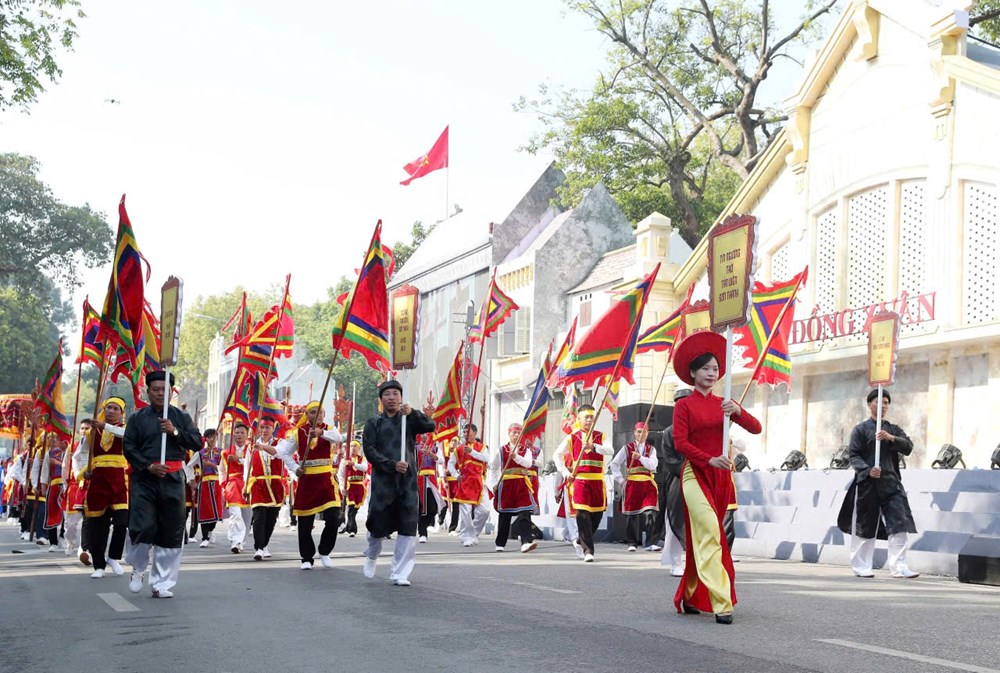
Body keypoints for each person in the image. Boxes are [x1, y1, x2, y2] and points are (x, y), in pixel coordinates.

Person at [671, 332, 761, 625]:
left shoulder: (725, 403)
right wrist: (708, 458)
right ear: (693, 373)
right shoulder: (684, 406)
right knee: (710, 530)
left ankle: (690, 592)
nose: (711, 373)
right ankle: (722, 601)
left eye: (715, 368)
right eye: (705, 368)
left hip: (721, 478)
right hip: (694, 474)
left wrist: (738, 411)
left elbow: (756, 428)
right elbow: (681, 443)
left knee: (706, 535)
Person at [123, 371, 203, 598]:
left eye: (164, 389)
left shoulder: (181, 416)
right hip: (145, 478)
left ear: (171, 392)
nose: (160, 393)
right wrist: (147, 466)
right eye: (155, 389)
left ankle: (162, 583)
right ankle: (138, 569)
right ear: (148, 392)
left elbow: (197, 442)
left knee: (171, 531)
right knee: (143, 526)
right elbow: (128, 448)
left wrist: (175, 432)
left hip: (173, 478)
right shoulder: (137, 418)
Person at [836, 389, 919, 579]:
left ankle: (899, 567)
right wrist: (867, 470)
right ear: (869, 405)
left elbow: (908, 447)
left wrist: (890, 438)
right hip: (868, 485)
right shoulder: (860, 429)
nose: (883, 406)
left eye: (886, 403)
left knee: (899, 524)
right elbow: (853, 455)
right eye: (878, 402)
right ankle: (862, 566)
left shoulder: (893, 429)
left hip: (891, 484)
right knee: (866, 526)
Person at [361, 380, 435, 586]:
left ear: (401, 397)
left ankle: (400, 572)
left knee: (408, 526)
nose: (392, 397)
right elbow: (370, 451)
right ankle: (372, 554)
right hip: (383, 481)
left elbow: (430, 425)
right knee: (377, 522)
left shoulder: (408, 420)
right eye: (387, 394)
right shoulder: (373, 422)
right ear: (381, 399)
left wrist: (412, 413)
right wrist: (392, 465)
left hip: (408, 482)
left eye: (395, 394)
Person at [275, 401, 344, 569]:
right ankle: (306, 557)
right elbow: (284, 453)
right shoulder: (298, 432)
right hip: (307, 480)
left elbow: (339, 438)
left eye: (320, 412)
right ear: (307, 414)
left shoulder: (329, 429)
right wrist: (295, 467)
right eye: (313, 412)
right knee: (305, 521)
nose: (317, 415)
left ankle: (325, 551)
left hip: (326, 479)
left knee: (334, 517)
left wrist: (321, 433)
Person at [76, 398, 130, 577]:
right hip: (98, 480)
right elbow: (81, 455)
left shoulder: (125, 429)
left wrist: (104, 426)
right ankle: (98, 566)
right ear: (103, 409)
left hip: (119, 481)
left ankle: (114, 557)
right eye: (108, 408)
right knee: (98, 525)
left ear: (121, 413)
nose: (111, 411)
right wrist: (85, 471)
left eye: (116, 409)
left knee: (122, 522)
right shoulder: (91, 433)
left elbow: (125, 435)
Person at [553, 405, 612, 562]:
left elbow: (610, 450)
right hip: (580, 481)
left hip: (598, 481)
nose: (589, 420)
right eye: (586, 417)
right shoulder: (572, 437)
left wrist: (594, 447)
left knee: (597, 515)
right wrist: (566, 473)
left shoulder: (601, 436)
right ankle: (588, 551)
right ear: (579, 419)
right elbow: (557, 455)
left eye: (591, 417)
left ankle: (582, 539)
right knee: (582, 514)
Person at [658, 388, 692, 576]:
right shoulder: (669, 432)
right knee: (675, 520)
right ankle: (676, 562)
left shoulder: (701, 429)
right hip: (678, 480)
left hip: (700, 479)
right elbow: (671, 461)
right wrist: (689, 472)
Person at [490, 422, 538, 553]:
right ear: (509, 433)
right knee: (504, 515)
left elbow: (528, 464)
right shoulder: (501, 450)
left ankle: (525, 542)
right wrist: (494, 484)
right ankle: (500, 543)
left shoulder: (525, 450)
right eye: (514, 433)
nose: (516, 435)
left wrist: (516, 457)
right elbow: (493, 468)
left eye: (518, 433)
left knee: (525, 513)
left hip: (521, 484)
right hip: (506, 484)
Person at [610, 422, 659, 552]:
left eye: (644, 431)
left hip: (647, 483)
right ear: (634, 433)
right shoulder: (627, 448)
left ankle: (650, 542)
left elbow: (653, 465)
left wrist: (640, 457)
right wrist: (620, 480)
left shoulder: (652, 449)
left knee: (650, 512)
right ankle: (632, 542)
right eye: (638, 431)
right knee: (631, 515)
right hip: (632, 482)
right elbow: (614, 464)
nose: (641, 434)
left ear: (647, 433)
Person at [247, 417, 285, 560]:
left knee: (271, 519)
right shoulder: (251, 446)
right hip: (258, 485)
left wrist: (263, 447)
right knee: (259, 517)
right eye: (262, 428)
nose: (264, 431)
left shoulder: (280, 443)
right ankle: (259, 548)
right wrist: (246, 487)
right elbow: (247, 467)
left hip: (275, 486)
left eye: (267, 428)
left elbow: (278, 453)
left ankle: (264, 544)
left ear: (273, 429)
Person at [449, 424, 489, 548]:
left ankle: (474, 534)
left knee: (485, 510)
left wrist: (472, 452)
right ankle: (466, 536)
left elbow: (486, 458)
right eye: (464, 431)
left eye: (468, 431)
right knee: (466, 511)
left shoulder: (482, 447)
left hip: (478, 481)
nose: (466, 433)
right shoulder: (459, 449)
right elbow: (450, 465)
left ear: (475, 433)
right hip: (465, 481)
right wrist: (456, 475)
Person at [184, 428, 224, 548]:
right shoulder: (200, 453)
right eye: (209, 437)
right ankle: (205, 537)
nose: (212, 439)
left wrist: (211, 465)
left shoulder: (221, 452)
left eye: (214, 437)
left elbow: (223, 469)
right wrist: (191, 480)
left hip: (217, 483)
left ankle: (211, 530)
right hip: (204, 484)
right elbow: (188, 466)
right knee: (205, 510)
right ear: (205, 439)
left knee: (216, 511)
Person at [221, 422, 252, 554]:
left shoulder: (252, 450)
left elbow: (253, 465)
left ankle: (241, 541)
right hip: (232, 485)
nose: (239, 435)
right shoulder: (226, 452)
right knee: (235, 514)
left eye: (242, 433)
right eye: (237, 432)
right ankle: (235, 541)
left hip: (248, 484)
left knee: (247, 516)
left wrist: (239, 459)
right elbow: (221, 471)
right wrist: (223, 484)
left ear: (247, 435)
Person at [416, 437, 444, 543]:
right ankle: (422, 533)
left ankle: (425, 525)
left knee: (433, 508)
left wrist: (430, 454)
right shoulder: (416, 448)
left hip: (432, 480)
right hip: (420, 479)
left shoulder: (435, 448)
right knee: (422, 508)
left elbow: (441, 460)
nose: (425, 436)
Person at [340, 440, 368, 538]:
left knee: (355, 509)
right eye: (351, 446)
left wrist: (354, 464)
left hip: (359, 487)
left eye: (355, 446)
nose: (353, 448)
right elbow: (341, 475)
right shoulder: (344, 460)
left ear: (359, 448)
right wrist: (342, 487)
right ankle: (352, 530)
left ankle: (348, 527)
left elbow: (365, 468)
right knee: (351, 508)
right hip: (349, 486)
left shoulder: (362, 459)